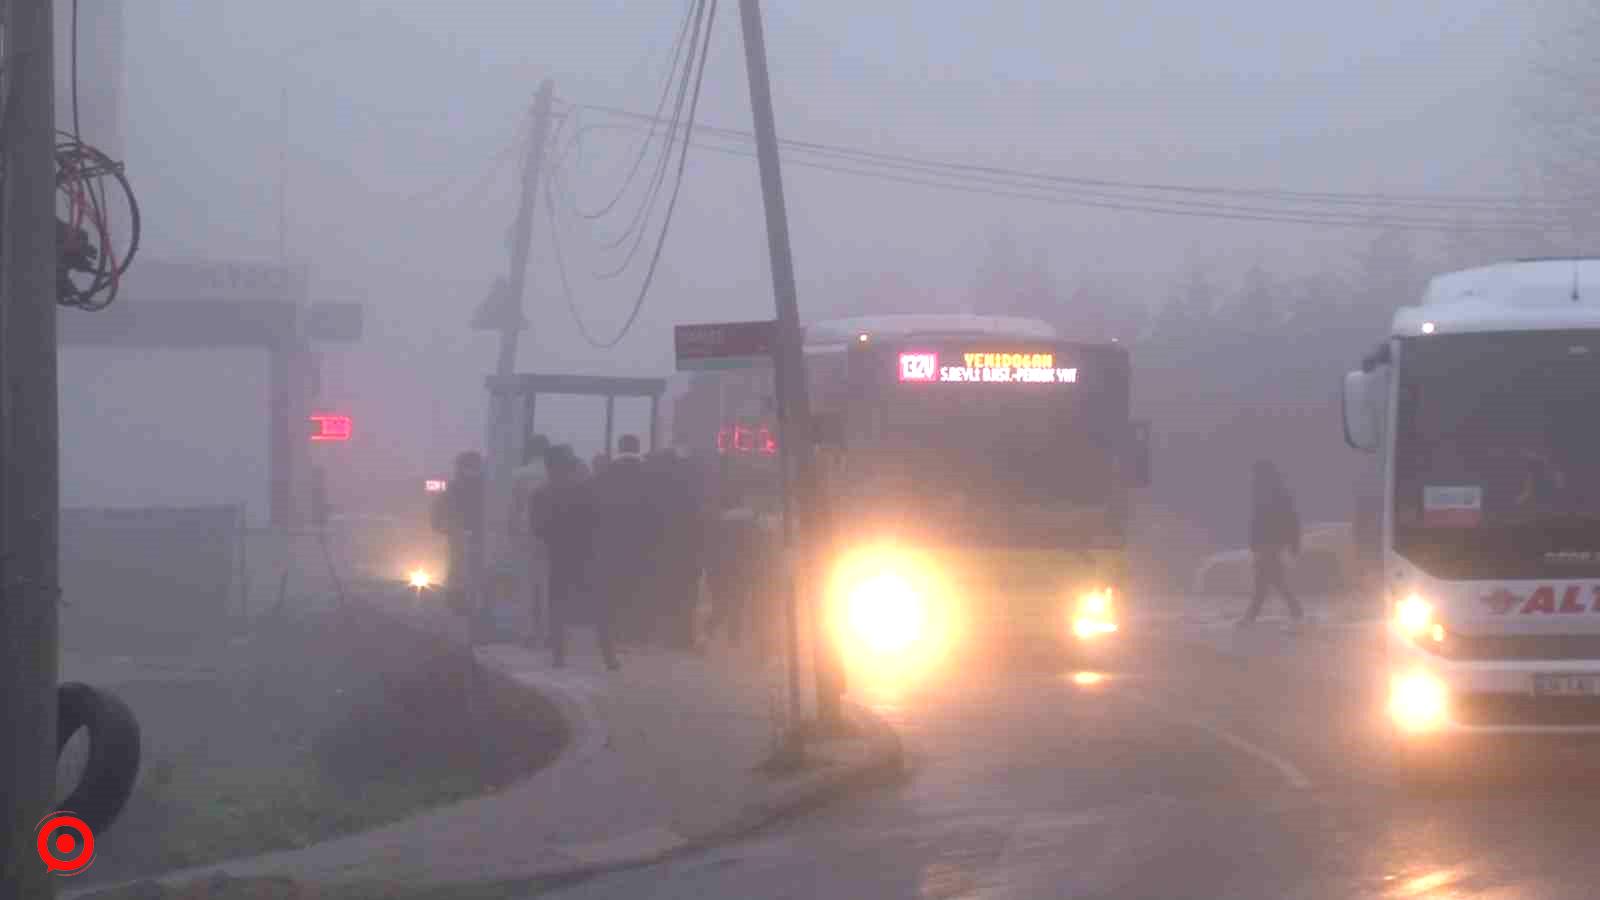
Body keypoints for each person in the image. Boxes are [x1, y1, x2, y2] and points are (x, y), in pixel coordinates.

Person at [533, 446, 618, 670]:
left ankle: (559, 656)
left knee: (558, 605)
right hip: (587, 554)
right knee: (598, 607)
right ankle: (609, 656)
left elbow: (537, 528)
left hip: (558, 555)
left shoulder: (542, 494)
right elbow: (601, 520)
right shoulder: (587, 490)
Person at [589, 435, 659, 645]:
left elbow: (595, 504)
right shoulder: (649, 473)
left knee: (614, 586)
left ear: (619, 448)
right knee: (638, 584)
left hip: (611, 538)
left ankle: (614, 633)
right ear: (637, 448)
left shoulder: (607, 472)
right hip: (641, 539)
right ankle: (637, 632)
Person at [1238, 459, 1303, 627]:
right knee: (1272, 579)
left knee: (1265, 579)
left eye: (1256, 473)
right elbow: (1289, 520)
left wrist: (1292, 542)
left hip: (1270, 543)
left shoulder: (1270, 494)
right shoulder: (1269, 492)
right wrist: (1292, 543)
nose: (1253, 476)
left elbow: (1286, 520)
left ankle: (1251, 617)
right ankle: (1295, 611)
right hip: (1270, 543)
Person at [431, 451, 487, 632]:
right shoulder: (481, 489)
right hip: (469, 543)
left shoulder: (457, 489)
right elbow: (437, 518)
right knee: (462, 576)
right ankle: (465, 612)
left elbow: (437, 519)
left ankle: (464, 612)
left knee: (462, 576)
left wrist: (448, 529)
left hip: (472, 542)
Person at [511, 435, 552, 644]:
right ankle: (546, 631)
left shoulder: (520, 474)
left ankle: (527, 631)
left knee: (527, 583)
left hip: (526, 531)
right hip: (551, 534)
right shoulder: (552, 474)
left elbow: (515, 507)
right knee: (547, 583)